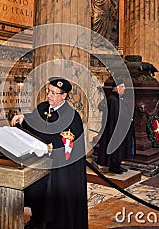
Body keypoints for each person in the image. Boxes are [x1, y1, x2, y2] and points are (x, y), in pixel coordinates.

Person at [10, 77, 88, 229]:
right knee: (36, 192)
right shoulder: (42, 107)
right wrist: (23, 118)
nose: (49, 96)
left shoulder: (71, 116)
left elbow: (68, 144)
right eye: (48, 91)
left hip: (60, 167)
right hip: (40, 164)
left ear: (64, 96)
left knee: (55, 198)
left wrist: (50, 146)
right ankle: (37, 219)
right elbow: (33, 123)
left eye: (54, 93)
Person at [96, 78, 134, 174]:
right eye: (122, 87)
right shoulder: (112, 100)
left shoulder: (120, 99)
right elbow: (113, 117)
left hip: (121, 129)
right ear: (115, 88)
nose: (124, 89)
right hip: (115, 130)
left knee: (121, 149)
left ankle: (118, 165)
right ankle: (113, 167)